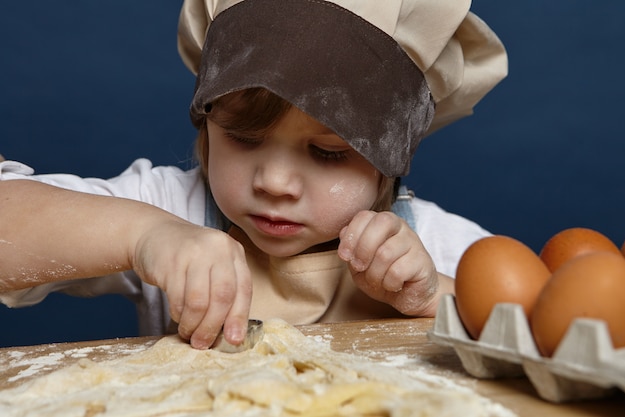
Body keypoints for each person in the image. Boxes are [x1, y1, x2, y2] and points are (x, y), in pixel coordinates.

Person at [0, 0, 507, 349]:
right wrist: (145, 235)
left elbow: (548, 332)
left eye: (327, 153)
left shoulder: (430, 245)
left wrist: (430, 296)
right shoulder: (172, 209)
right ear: (207, 123)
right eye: (244, 138)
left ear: (388, 165)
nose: (275, 182)